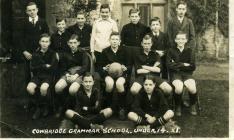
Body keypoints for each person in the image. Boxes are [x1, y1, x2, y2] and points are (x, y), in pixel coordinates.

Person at [54, 34, 89, 117]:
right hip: (68, 73)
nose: (73, 45)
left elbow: (85, 67)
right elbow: (62, 67)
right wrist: (67, 75)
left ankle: (75, 108)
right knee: (58, 87)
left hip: (79, 74)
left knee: (72, 90)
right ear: (68, 43)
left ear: (78, 43)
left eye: (74, 42)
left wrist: (76, 75)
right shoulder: (65, 53)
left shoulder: (83, 53)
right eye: (71, 43)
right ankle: (63, 106)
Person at [26, 33, 57, 119]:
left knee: (43, 88)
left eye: (46, 41)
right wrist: (44, 66)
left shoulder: (52, 53)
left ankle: (43, 107)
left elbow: (52, 68)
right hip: (37, 76)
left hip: (48, 77)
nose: (44, 43)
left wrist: (39, 66)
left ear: (49, 43)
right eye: (43, 41)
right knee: (29, 88)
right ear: (39, 42)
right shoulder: (36, 54)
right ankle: (39, 105)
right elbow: (32, 68)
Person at [166, 31, 197, 116]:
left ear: (186, 40)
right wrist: (183, 64)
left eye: (183, 39)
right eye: (178, 39)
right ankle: (178, 105)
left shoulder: (189, 51)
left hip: (187, 74)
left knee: (192, 88)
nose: (180, 41)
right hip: (175, 74)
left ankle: (193, 105)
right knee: (179, 88)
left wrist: (175, 63)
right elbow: (168, 65)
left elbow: (193, 66)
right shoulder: (171, 50)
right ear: (175, 40)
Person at [100, 32, 130, 120]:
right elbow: (100, 66)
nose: (114, 41)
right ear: (109, 40)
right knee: (109, 83)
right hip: (109, 74)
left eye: (116, 39)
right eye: (112, 39)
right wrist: (104, 67)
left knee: (119, 84)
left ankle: (121, 108)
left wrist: (125, 67)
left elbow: (129, 65)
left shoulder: (124, 51)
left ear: (120, 41)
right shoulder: (105, 51)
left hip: (121, 74)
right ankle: (108, 107)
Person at [20, 2, 49, 83]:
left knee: (40, 73)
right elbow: (19, 38)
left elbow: (47, 37)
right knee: (27, 74)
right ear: (26, 12)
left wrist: (41, 49)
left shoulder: (43, 22)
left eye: (33, 10)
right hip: (27, 54)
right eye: (29, 10)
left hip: (40, 52)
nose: (32, 12)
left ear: (37, 10)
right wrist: (24, 51)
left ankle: (39, 94)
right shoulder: (23, 23)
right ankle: (29, 93)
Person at [121, 8, 151, 75]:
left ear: (139, 17)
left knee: (139, 70)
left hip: (140, 52)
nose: (134, 18)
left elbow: (147, 40)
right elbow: (122, 42)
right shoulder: (125, 27)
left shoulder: (145, 28)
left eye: (136, 16)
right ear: (129, 17)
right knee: (127, 70)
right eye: (132, 16)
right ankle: (127, 84)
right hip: (128, 52)